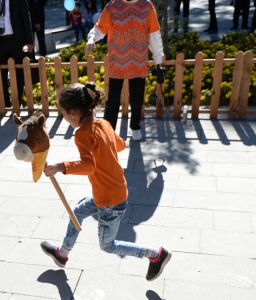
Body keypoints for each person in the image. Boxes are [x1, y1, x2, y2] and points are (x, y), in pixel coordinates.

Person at [40, 83, 171, 281]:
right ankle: (63, 253)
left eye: (63, 113)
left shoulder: (82, 133)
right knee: (77, 212)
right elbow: (121, 144)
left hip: (110, 201)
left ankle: (155, 254)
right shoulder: (104, 124)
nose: (64, 117)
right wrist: (105, 144)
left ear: (73, 112)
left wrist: (61, 166)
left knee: (108, 245)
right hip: (110, 192)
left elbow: (88, 166)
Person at [85, 0, 164, 141]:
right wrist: (91, 38)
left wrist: (158, 59)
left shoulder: (146, 6)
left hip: (138, 60)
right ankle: (108, 132)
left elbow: (153, 33)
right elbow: (101, 27)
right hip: (117, 61)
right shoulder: (112, 6)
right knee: (113, 99)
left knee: (137, 98)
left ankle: (135, 127)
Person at [0, 0, 33, 107]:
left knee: (18, 73)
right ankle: (6, 105)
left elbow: (26, 18)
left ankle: (17, 102)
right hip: (0, 42)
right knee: (1, 74)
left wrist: (29, 41)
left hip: (17, 41)